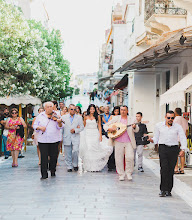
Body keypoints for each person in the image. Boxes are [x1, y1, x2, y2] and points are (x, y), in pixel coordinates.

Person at [148, 110, 187, 197]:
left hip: (173, 149)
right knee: (164, 168)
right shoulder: (159, 126)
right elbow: (156, 138)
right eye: (168, 117)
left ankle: (169, 190)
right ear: (165, 117)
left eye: (172, 118)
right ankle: (162, 189)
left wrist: (183, 149)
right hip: (163, 148)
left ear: (174, 118)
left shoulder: (178, 127)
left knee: (170, 169)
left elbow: (182, 137)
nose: (170, 119)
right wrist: (151, 140)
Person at [104, 106, 139, 181]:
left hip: (129, 141)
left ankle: (129, 173)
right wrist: (109, 129)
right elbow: (105, 125)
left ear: (127, 111)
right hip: (118, 141)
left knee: (130, 157)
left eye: (124, 110)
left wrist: (134, 127)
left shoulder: (132, 119)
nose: (122, 111)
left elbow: (137, 130)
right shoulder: (116, 118)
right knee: (118, 158)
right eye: (121, 110)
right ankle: (121, 174)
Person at [33, 102, 63, 179]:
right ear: (45, 108)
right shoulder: (40, 116)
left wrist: (59, 122)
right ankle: (44, 174)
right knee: (44, 157)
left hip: (54, 139)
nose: (50, 108)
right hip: (43, 140)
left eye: (51, 106)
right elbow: (35, 125)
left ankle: (53, 171)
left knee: (53, 157)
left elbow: (60, 127)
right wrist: (40, 128)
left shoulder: (57, 115)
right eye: (48, 107)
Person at [80, 104, 113, 172]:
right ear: (89, 110)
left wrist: (100, 135)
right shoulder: (86, 117)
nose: (92, 110)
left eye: (93, 109)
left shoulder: (97, 116)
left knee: (95, 148)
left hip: (95, 133)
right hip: (88, 134)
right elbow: (83, 125)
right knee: (89, 148)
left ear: (95, 110)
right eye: (91, 109)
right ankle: (89, 166)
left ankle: (95, 166)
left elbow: (99, 126)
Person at [62, 104, 84, 172]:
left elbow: (82, 127)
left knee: (75, 150)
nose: (73, 111)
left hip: (75, 136)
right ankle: (69, 166)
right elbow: (61, 128)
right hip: (67, 136)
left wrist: (75, 130)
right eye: (71, 109)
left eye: (74, 109)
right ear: (69, 109)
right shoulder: (63, 117)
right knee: (67, 152)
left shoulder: (79, 117)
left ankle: (75, 164)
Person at [174, 108, 188, 174]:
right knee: (182, 154)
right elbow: (187, 130)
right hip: (183, 139)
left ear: (175, 113)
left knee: (176, 154)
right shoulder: (185, 120)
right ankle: (182, 169)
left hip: (177, 138)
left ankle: (176, 168)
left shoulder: (175, 120)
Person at [107, 106, 120, 172]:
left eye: (118, 111)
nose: (117, 112)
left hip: (119, 134)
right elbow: (108, 124)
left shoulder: (121, 117)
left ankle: (116, 165)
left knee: (117, 151)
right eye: (115, 111)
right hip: (112, 134)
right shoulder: (112, 117)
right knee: (111, 150)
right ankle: (110, 165)